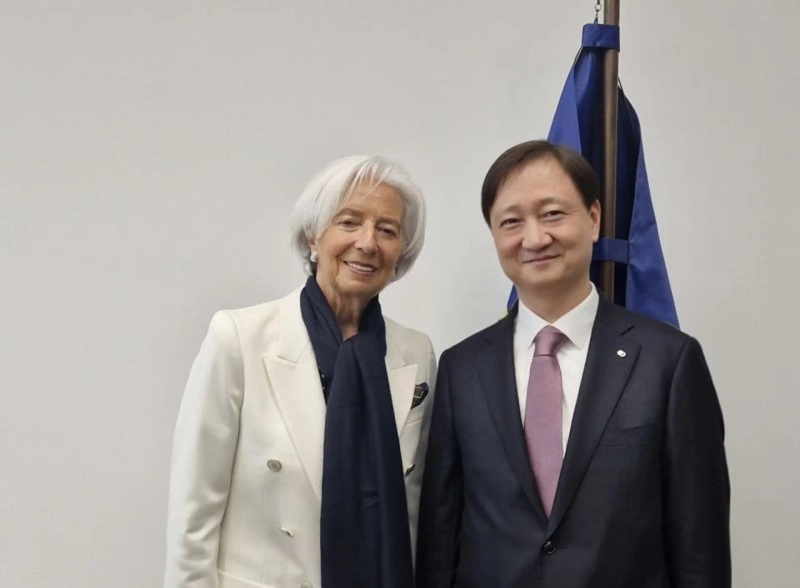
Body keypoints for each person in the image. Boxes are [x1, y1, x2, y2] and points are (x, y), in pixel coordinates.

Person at [416, 140, 730, 588]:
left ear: (594, 218)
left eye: (553, 214)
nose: (535, 237)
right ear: (494, 235)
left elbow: (700, 543)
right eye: (511, 222)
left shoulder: (669, 361)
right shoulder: (461, 368)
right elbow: (439, 541)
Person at [164, 155, 436, 588]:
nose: (367, 242)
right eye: (349, 222)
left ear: (401, 251)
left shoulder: (415, 353)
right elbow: (192, 514)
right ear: (314, 236)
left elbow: (414, 510)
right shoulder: (239, 337)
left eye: (387, 230)